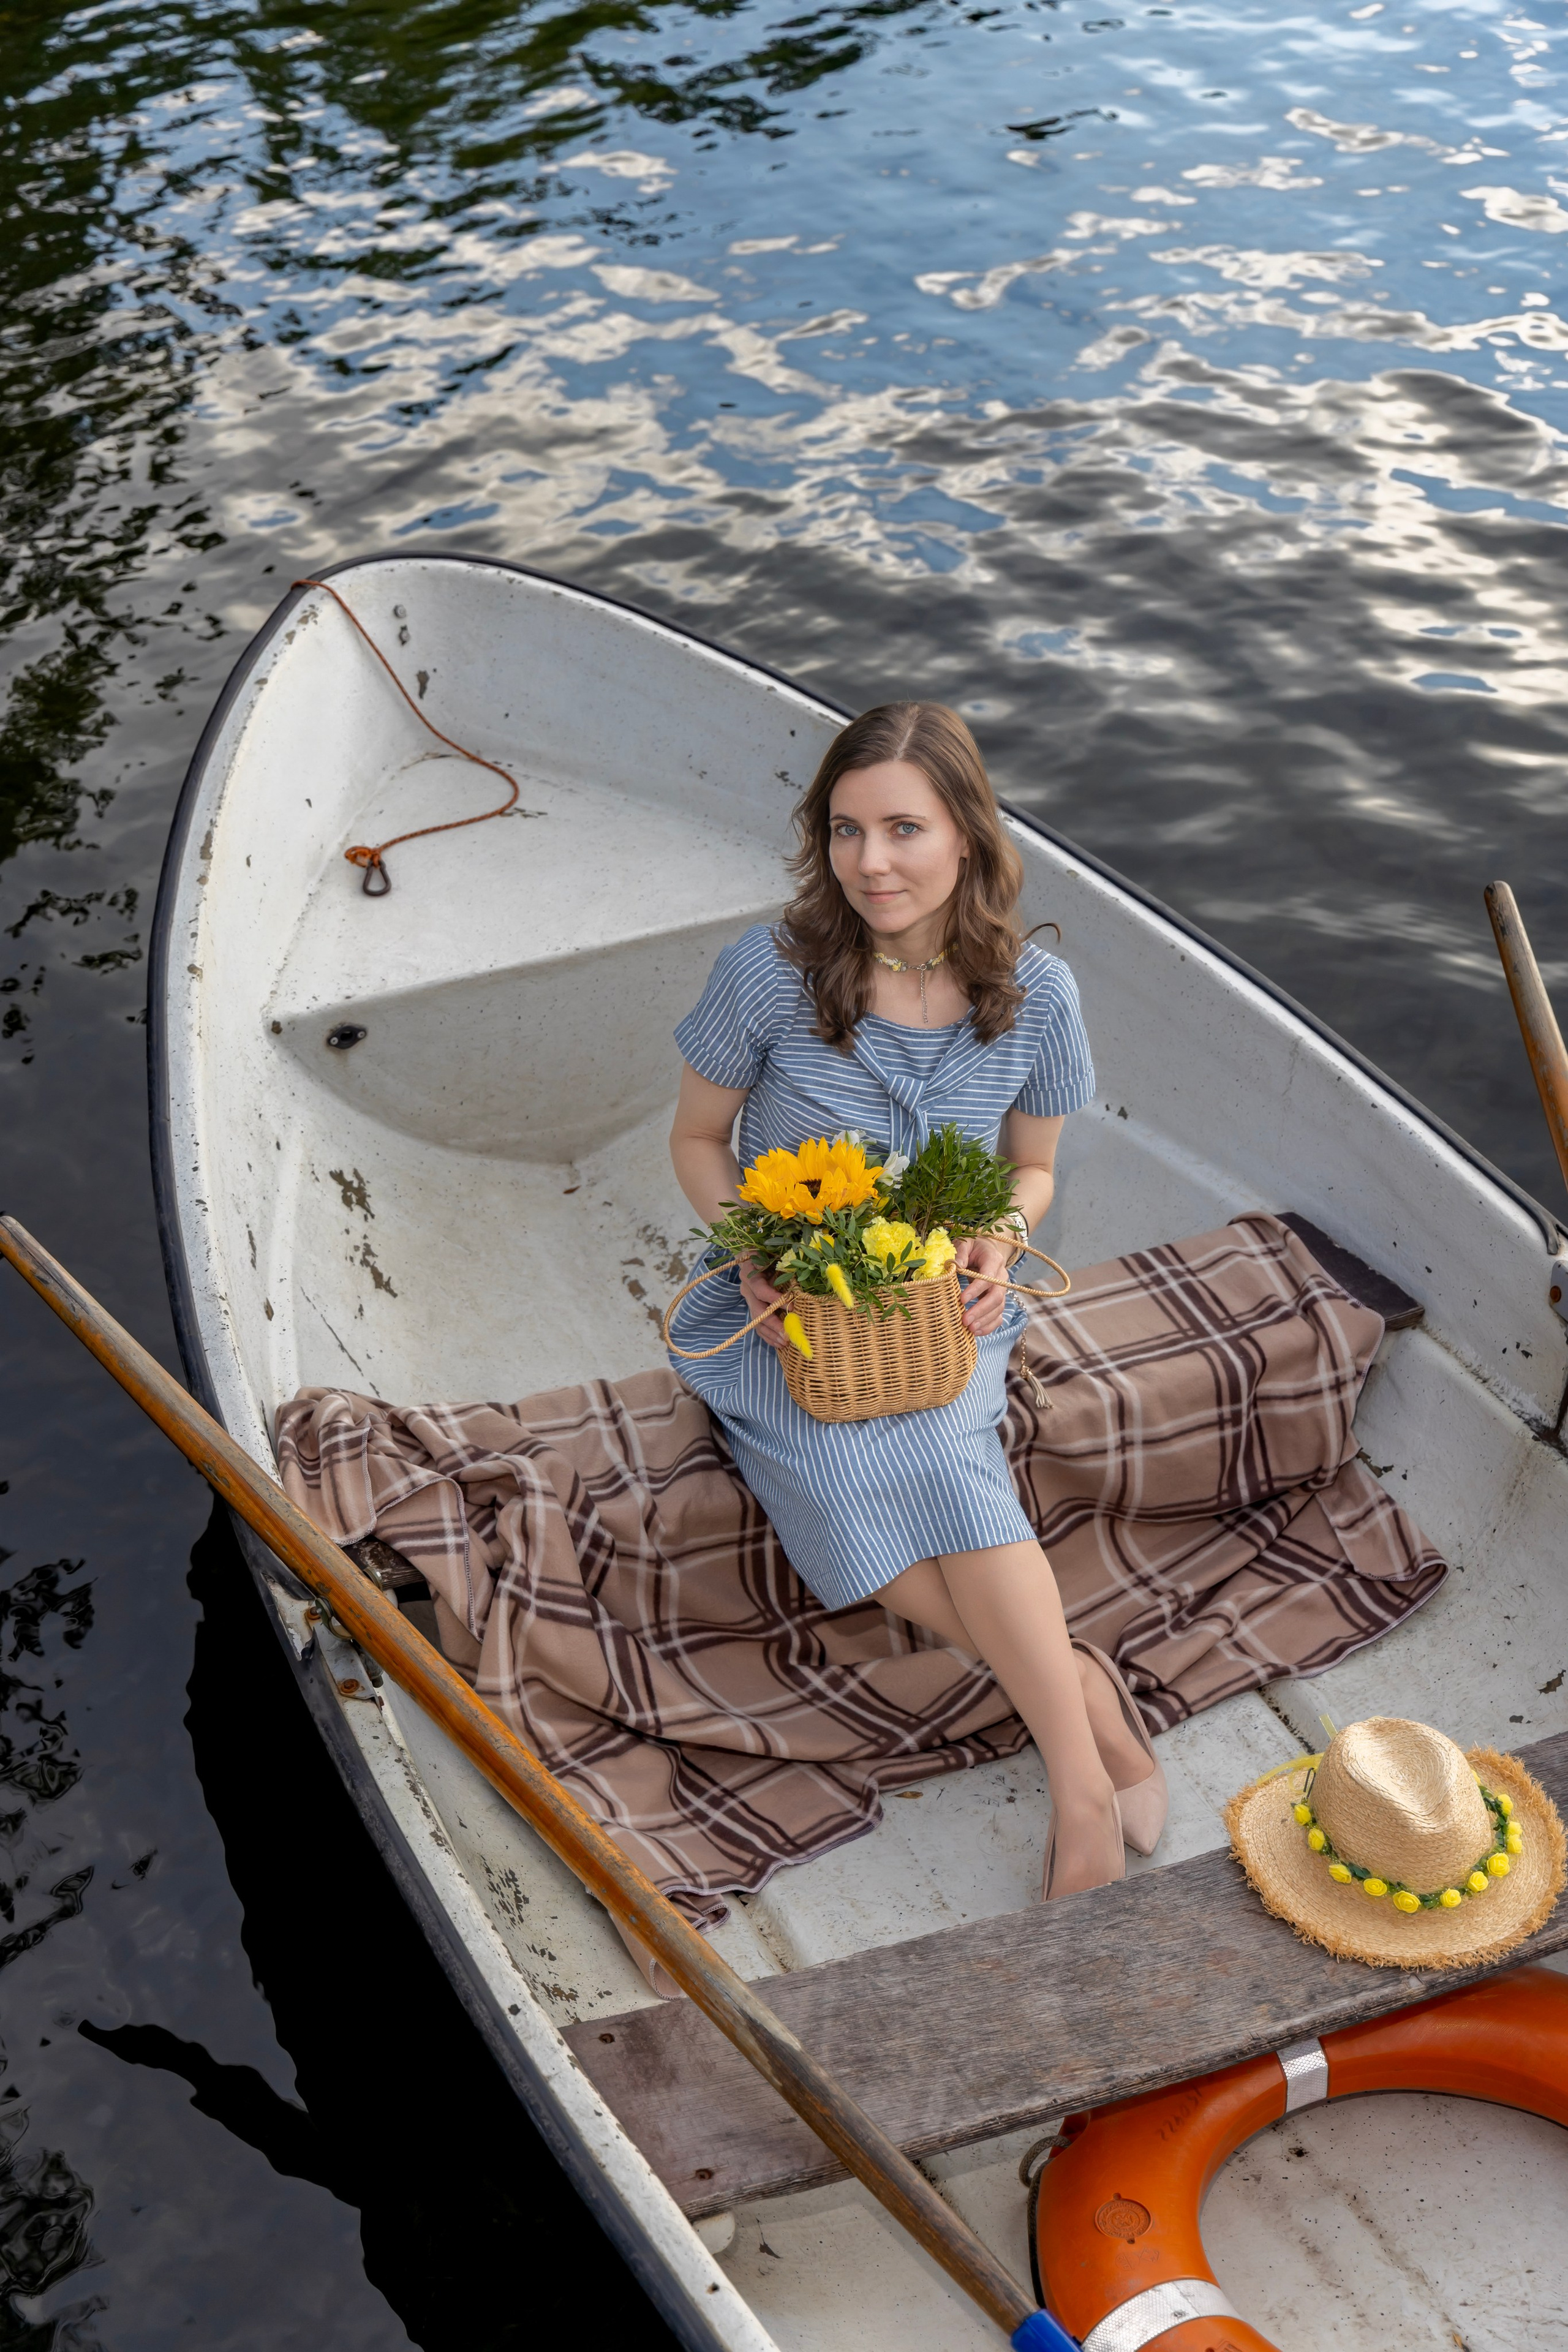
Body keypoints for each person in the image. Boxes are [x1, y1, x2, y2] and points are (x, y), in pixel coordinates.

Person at [667, 701, 1164, 1898]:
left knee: (951, 1473)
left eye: (902, 828)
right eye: (845, 831)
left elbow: (1032, 1168)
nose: (870, 862)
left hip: (941, 1308)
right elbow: (694, 1139)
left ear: (964, 836)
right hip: (782, 1311)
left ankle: (1078, 1790)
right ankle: (1081, 1689)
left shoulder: (1036, 996)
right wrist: (750, 1248)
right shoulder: (767, 974)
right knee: (843, 1488)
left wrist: (997, 1234)